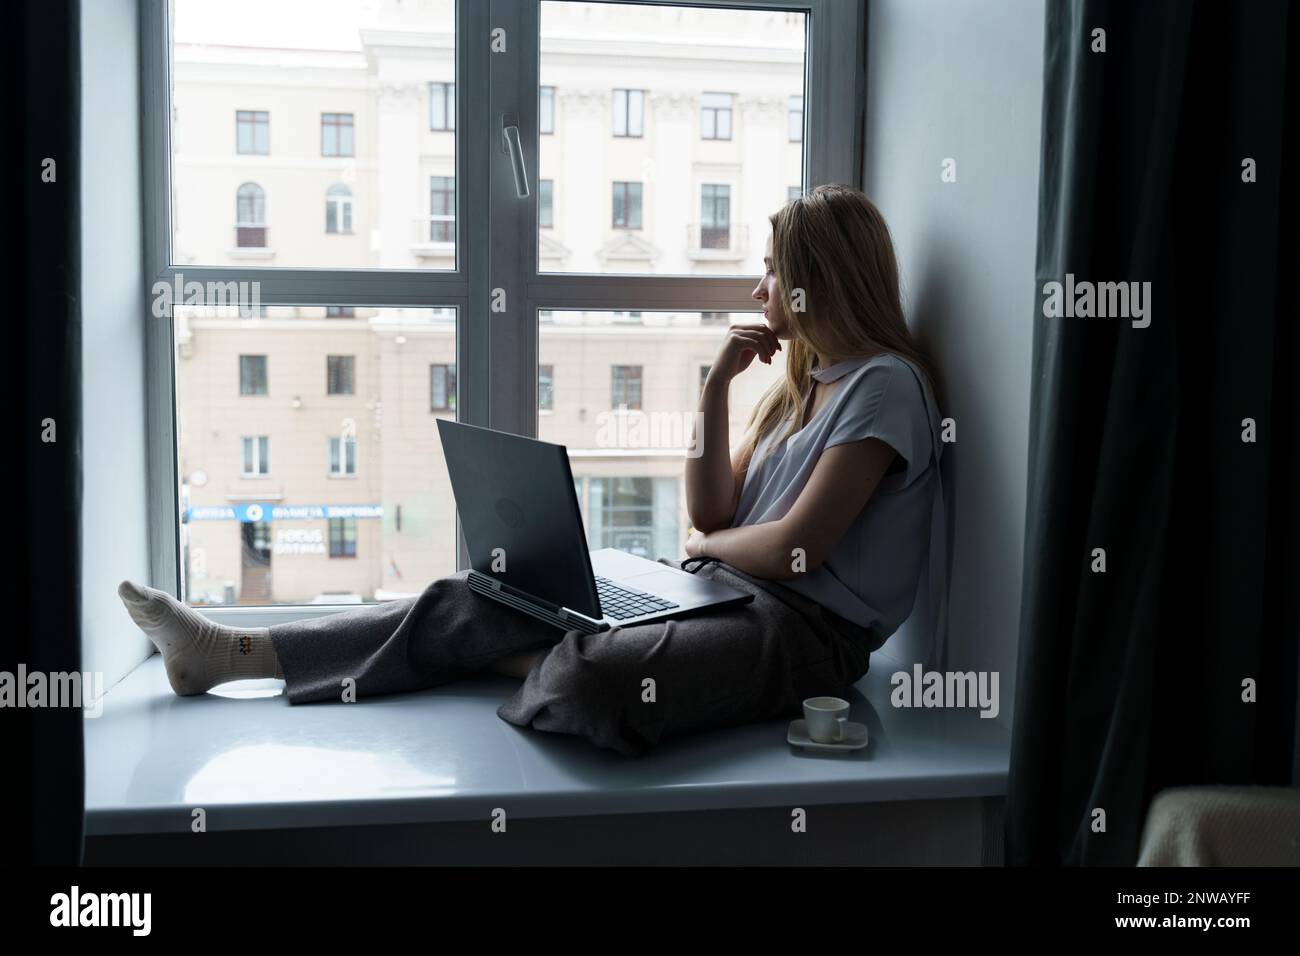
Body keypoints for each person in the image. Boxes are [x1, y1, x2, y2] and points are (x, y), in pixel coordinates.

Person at [118, 184, 946, 758]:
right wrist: (718, 385)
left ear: (818, 281)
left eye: (775, 269)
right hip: (727, 590)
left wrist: (706, 545)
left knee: (603, 683)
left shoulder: (885, 387)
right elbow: (714, 505)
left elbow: (799, 550)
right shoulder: (800, 387)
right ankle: (230, 650)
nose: (759, 284)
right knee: (484, 589)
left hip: (805, 634)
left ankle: (494, 654)